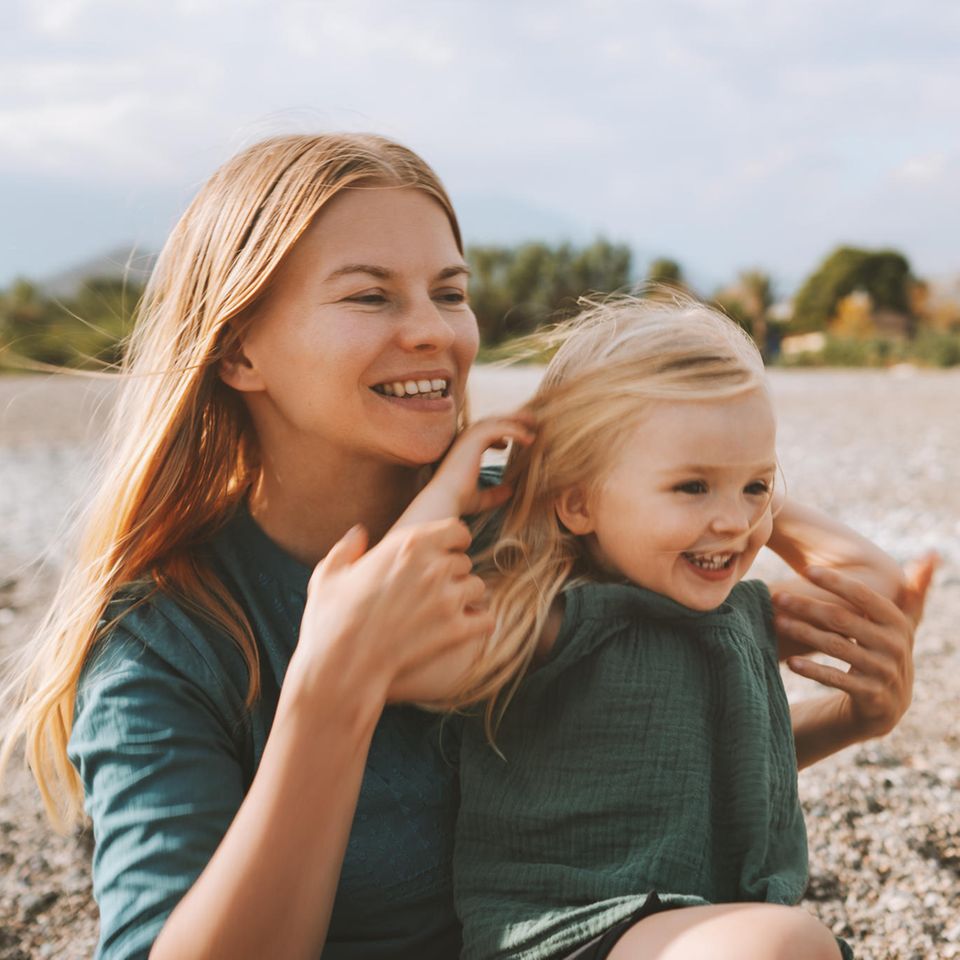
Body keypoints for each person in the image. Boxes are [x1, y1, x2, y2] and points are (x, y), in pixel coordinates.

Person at [0, 135, 932, 960]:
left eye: (450, 292)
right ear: (240, 352)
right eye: (371, 295)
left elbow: (599, 773)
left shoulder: (534, 527)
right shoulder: (168, 641)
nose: (435, 331)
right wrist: (332, 692)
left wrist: (837, 718)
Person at [397, 294, 916, 960]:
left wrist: (742, 480)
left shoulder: (739, 616)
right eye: (691, 487)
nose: (732, 521)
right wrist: (454, 483)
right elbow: (396, 630)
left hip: (700, 931)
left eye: (756, 488)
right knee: (783, 942)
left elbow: (874, 582)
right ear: (579, 499)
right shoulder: (550, 621)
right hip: (570, 936)